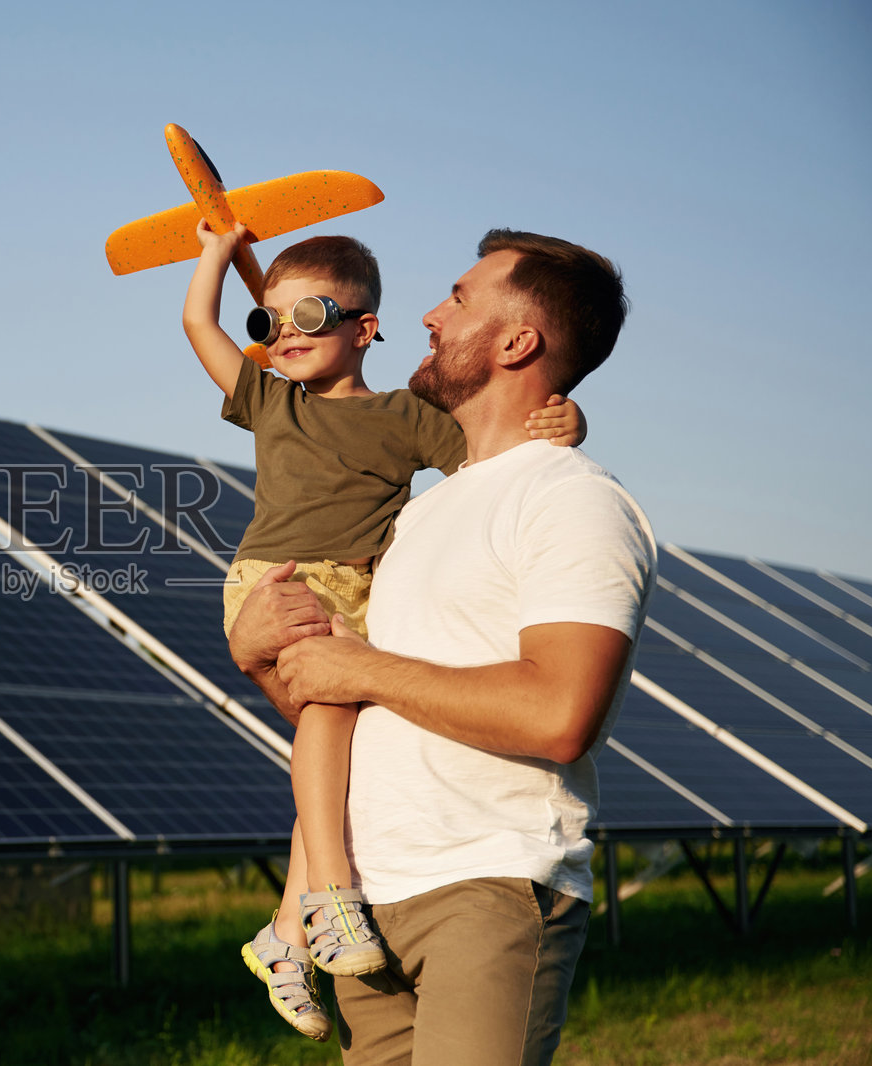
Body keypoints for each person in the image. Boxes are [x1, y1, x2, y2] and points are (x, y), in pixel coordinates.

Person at [228, 229, 656, 1065]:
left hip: (485, 887)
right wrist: (260, 657)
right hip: (365, 904)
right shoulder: (417, 517)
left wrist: (359, 665)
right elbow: (345, 701)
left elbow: (562, 715)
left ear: (516, 342)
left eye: (457, 299)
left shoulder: (570, 499)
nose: (427, 314)